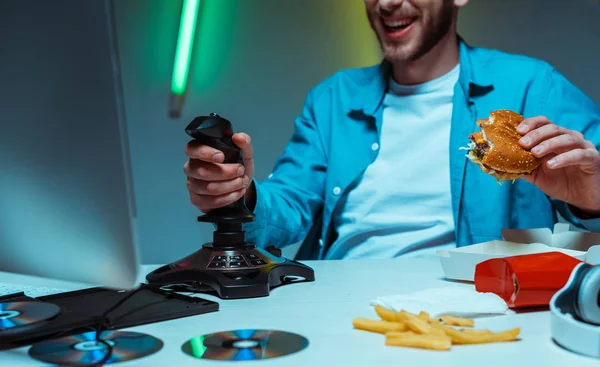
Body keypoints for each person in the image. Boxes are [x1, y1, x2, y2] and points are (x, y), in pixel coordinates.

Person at [183, 0, 600, 261]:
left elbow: (592, 181)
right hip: (343, 301)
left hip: (473, 308)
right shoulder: (333, 98)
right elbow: (290, 203)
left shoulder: (532, 85)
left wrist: (592, 202)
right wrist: (239, 192)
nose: (388, 3)